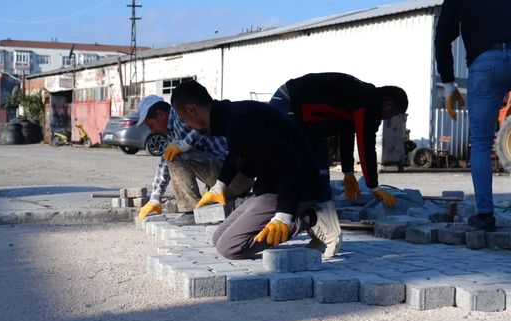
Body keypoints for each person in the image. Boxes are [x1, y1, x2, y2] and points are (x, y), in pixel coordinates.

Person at [170, 80, 337, 259]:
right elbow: (235, 154)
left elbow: (290, 162)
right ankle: (303, 215)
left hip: (296, 189)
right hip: (270, 187)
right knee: (218, 237)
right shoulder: (231, 116)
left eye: (182, 119)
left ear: (191, 110)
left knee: (230, 247)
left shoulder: (240, 121)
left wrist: (283, 215)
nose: (186, 125)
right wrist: (220, 186)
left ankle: (311, 218)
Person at [269, 72, 408, 255]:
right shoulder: (369, 102)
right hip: (287, 102)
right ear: (388, 105)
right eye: (392, 114)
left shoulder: (359, 99)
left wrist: (348, 173)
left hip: (305, 115)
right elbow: (366, 143)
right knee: (298, 162)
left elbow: (347, 133)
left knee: (318, 165)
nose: (387, 119)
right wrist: (373, 184)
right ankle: (313, 225)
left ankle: (322, 229)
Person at [435, 0, 511, 231]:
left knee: (480, 142)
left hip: (485, 63)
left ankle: (485, 216)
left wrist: (448, 84)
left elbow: (442, 38)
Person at [135, 95, 252, 225]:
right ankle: (232, 202)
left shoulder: (181, 116)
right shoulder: (170, 132)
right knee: (172, 154)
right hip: (223, 182)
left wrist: (185, 144)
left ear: (160, 114)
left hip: (235, 176)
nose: (152, 130)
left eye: (150, 124)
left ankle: (190, 212)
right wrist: (154, 199)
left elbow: (203, 126)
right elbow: (165, 162)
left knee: (177, 155)